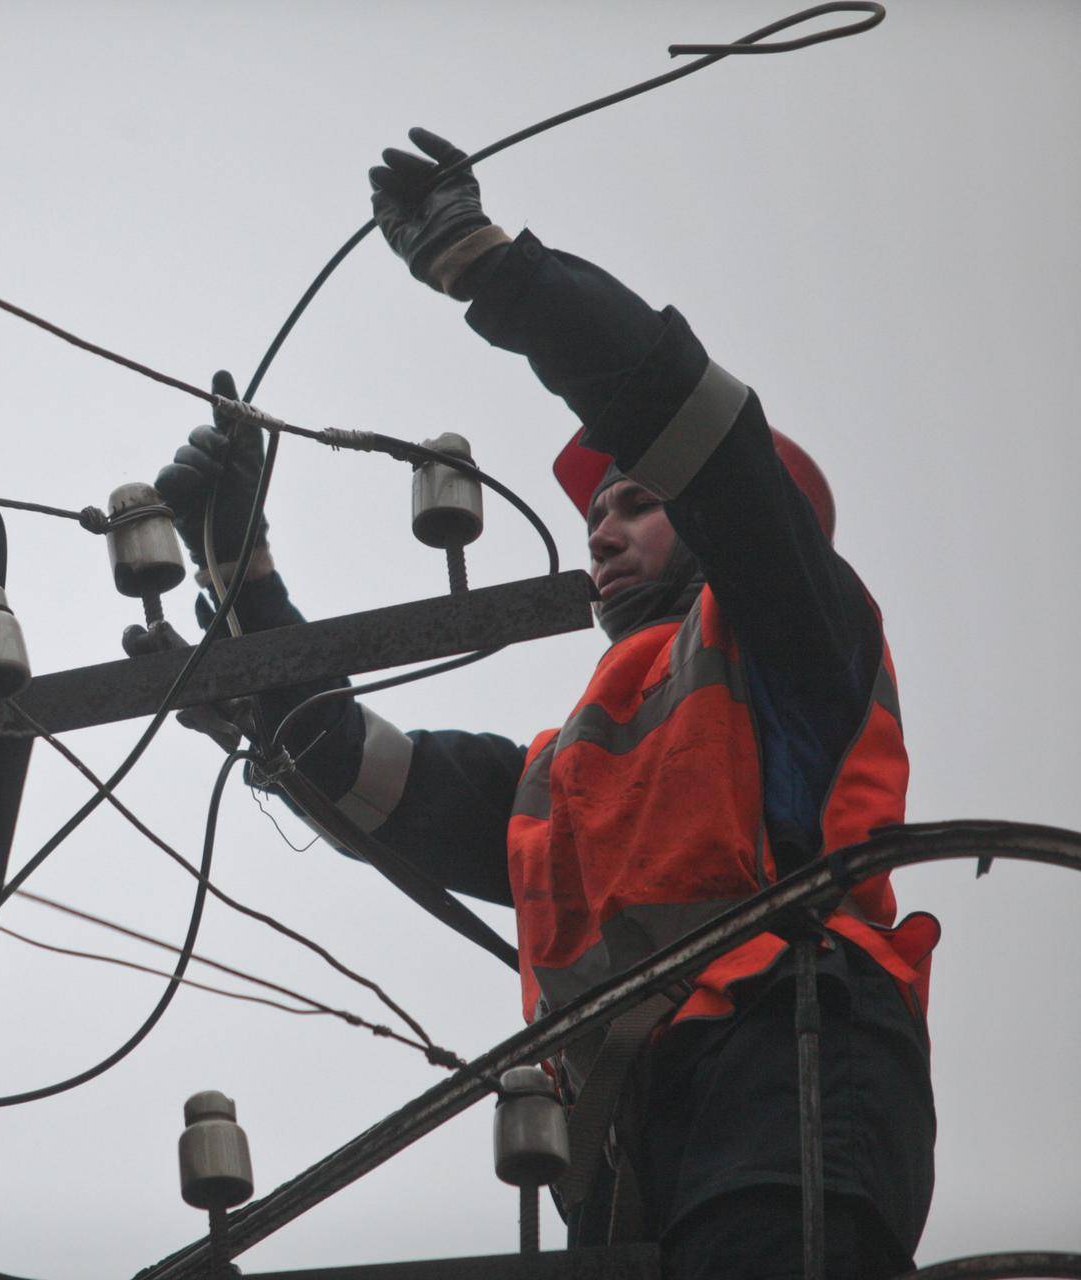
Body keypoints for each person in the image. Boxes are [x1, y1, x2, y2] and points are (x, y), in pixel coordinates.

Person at [155, 129, 940, 1279]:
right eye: (597, 511)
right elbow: (361, 769)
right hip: (627, 1144)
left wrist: (487, 264)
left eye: (637, 498)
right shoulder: (560, 775)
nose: (603, 527)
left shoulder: (791, 631)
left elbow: (697, 424)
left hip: (793, 1072)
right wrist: (244, 575)